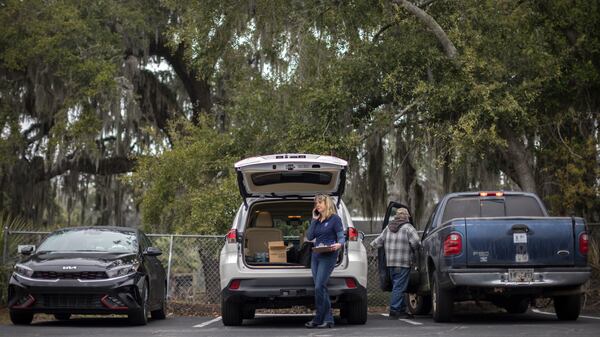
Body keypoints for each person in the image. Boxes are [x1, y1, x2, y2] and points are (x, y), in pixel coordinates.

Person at [370, 207, 420, 319]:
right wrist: (415, 249)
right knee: (399, 287)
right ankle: (394, 310)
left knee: (398, 286)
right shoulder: (408, 228)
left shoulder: (388, 228)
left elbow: (377, 242)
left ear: (396, 216)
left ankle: (402, 310)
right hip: (403, 262)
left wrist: (371, 247)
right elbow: (416, 242)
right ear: (407, 216)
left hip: (390, 263)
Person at [304, 193, 345, 328]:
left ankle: (319, 318)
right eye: (316, 203)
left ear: (326, 204)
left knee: (319, 286)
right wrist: (314, 219)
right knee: (321, 288)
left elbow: (341, 236)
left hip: (329, 255)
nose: (317, 205)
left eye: (319, 203)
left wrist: (339, 244)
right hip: (316, 255)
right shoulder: (318, 220)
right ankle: (327, 319)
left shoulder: (335, 219)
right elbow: (310, 236)